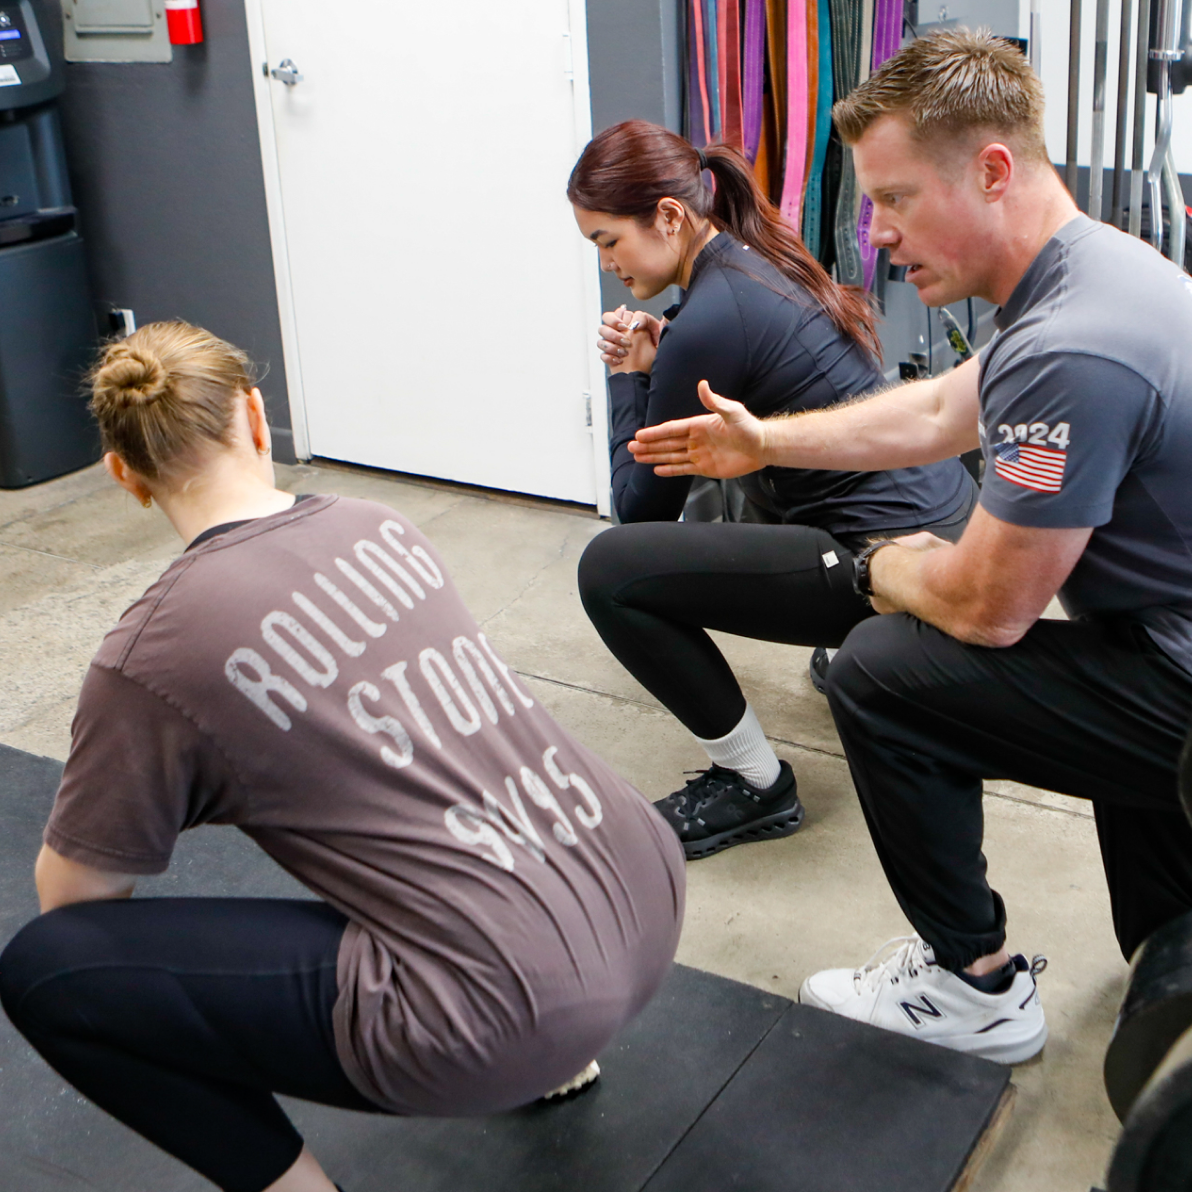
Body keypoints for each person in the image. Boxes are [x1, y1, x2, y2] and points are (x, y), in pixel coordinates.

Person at [0, 322, 686, 1192]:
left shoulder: (150, 652)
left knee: (48, 971)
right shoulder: (379, 523)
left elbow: (74, 903)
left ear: (122, 475)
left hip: (514, 1010)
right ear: (255, 414)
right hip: (642, 888)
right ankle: (561, 1048)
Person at [629, 28, 1192, 1065]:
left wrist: (878, 565)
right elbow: (939, 412)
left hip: (1176, 676)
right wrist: (764, 439)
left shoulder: (1072, 343)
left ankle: (970, 985)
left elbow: (989, 606)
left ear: (988, 172)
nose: (874, 231)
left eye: (894, 198)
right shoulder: (1094, 270)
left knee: (886, 670)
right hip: (1160, 641)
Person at [567, 120, 975, 859]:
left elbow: (638, 510)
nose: (607, 265)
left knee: (610, 572)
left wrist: (631, 377)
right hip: (945, 519)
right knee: (747, 476)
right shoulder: (755, 263)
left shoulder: (706, 324)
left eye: (607, 241)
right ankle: (852, 644)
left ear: (667, 216)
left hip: (888, 562)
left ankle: (752, 782)